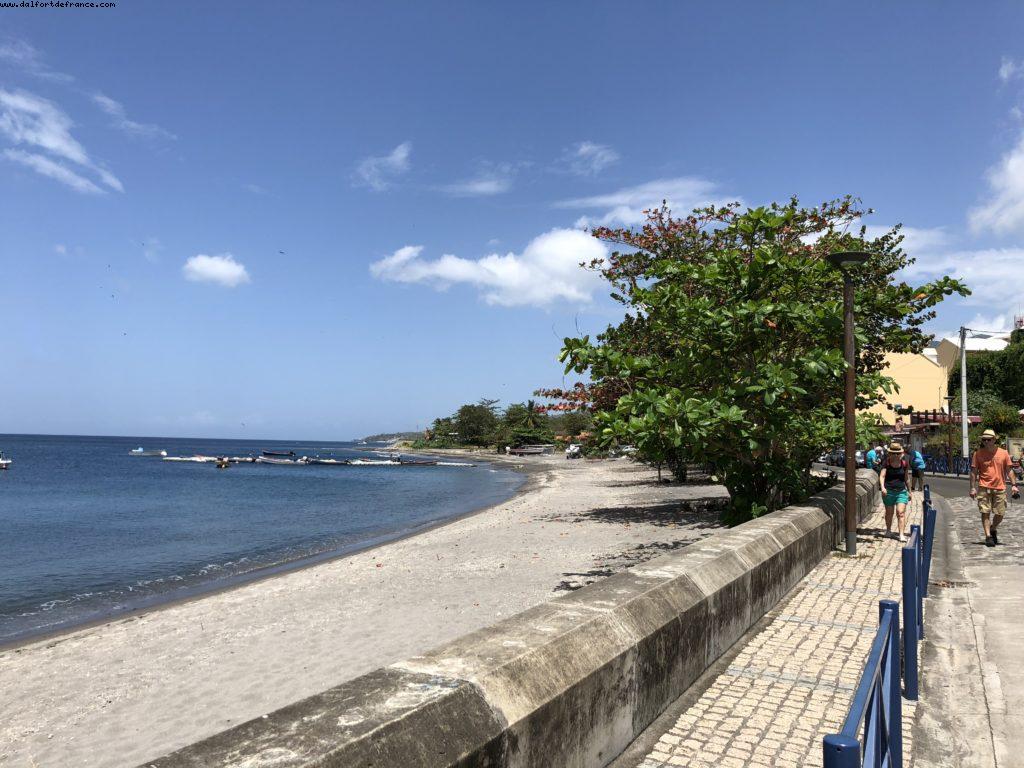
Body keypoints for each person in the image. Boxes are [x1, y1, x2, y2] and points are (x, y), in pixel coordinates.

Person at [970, 429, 1019, 547]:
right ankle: (988, 536)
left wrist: (1014, 485)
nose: (986, 442)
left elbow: (1009, 470)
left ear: (994, 440)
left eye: (988, 439)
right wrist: (972, 488)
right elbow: (973, 472)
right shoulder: (978, 454)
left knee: (1000, 514)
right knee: (985, 512)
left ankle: (993, 528)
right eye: (984, 439)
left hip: (1000, 487)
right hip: (983, 487)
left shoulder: (1003, 453)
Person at [879, 442, 911, 541]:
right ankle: (888, 530)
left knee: (900, 512)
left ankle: (901, 534)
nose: (896, 455)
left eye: (898, 453)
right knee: (889, 513)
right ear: (890, 454)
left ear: (901, 453)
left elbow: (907, 478)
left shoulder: (904, 463)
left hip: (901, 491)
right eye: (893, 453)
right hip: (889, 491)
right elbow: (882, 476)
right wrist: (883, 487)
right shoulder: (886, 463)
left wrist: (910, 491)